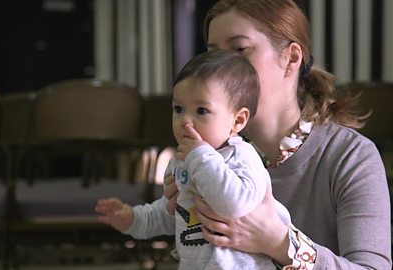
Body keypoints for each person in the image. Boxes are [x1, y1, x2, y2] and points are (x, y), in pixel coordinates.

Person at [163, 0, 391, 269]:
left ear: (292, 58)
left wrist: (279, 243)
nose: (220, 69)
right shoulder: (206, 154)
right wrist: (187, 225)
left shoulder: (351, 156)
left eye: (239, 49)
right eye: (213, 54)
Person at [96, 50, 291, 269]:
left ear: (237, 120)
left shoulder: (241, 156)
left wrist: (200, 157)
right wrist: (133, 219)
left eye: (201, 111)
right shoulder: (182, 161)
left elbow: (235, 205)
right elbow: (172, 214)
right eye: (178, 109)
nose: (185, 121)